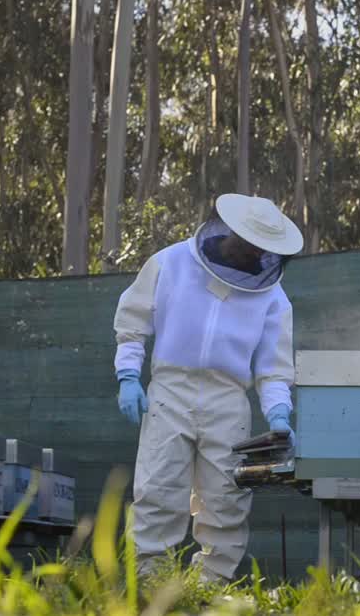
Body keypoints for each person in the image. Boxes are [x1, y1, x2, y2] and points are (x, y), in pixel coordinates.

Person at [112, 194, 303, 582]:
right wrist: (128, 375)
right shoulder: (170, 262)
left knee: (227, 498)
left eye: (263, 249)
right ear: (233, 232)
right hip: (170, 389)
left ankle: (210, 590)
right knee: (158, 489)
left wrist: (279, 412)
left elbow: (274, 367)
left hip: (228, 398)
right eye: (250, 245)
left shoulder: (273, 296)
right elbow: (132, 322)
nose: (254, 254)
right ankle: (150, 587)